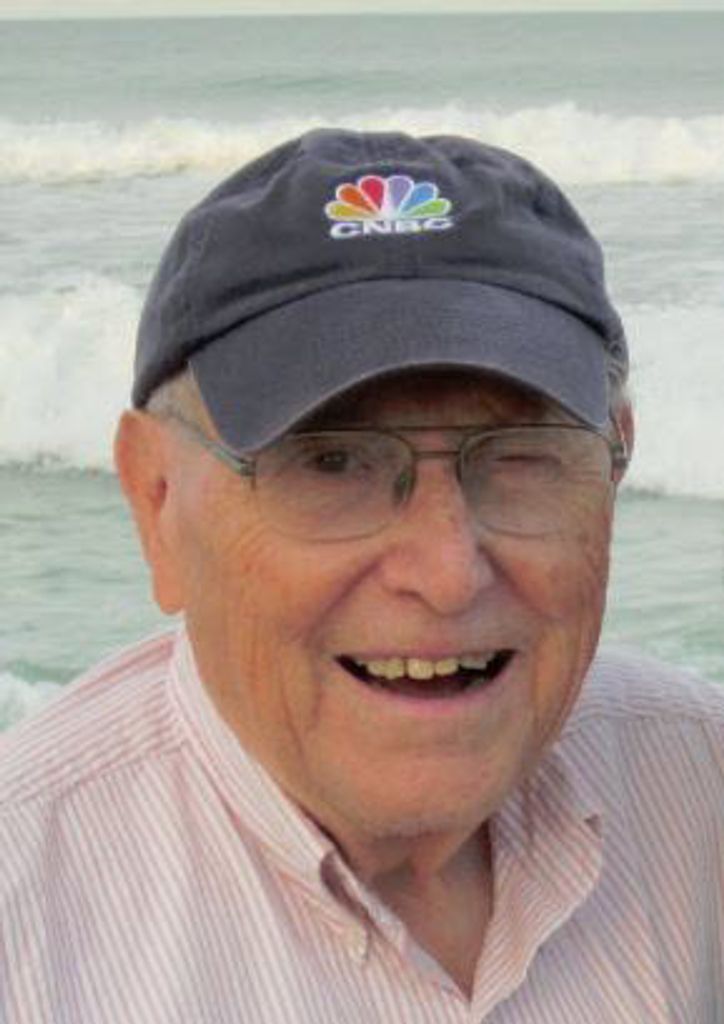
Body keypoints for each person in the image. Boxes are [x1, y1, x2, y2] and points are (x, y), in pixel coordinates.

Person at [1, 129, 722, 1023]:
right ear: (157, 500)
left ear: (615, 466)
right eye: (332, 463)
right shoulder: (24, 918)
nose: (448, 574)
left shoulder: (700, 783)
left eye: (518, 455)